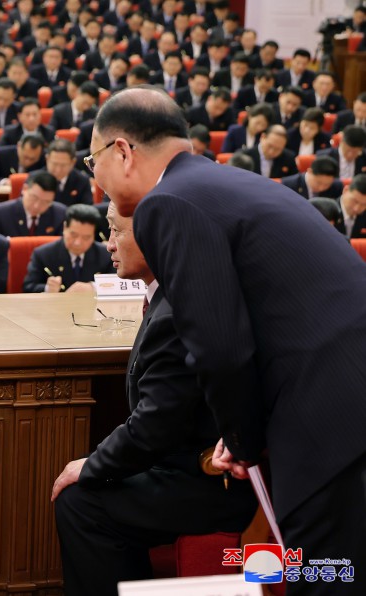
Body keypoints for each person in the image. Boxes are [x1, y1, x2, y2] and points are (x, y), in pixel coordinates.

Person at [88, 86, 366, 596]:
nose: (96, 177)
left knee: (325, 574)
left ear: (122, 151)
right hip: (345, 388)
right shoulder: (221, 182)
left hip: (326, 410)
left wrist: (241, 440)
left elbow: (219, 346)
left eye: (93, 161)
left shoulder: (166, 202)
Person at [51, 201, 258, 596]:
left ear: (155, 236)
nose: (109, 244)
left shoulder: (177, 309)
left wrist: (93, 466)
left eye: (117, 230)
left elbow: (156, 426)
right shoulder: (174, 293)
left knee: (80, 502)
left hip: (213, 480)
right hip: (189, 461)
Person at [22, 203, 113, 293]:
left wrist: (93, 287)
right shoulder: (43, 254)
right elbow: (28, 287)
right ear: (65, 228)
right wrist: (48, 289)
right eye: (74, 235)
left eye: (86, 237)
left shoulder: (106, 255)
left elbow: (117, 284)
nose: (78, 243)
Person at [0, 171, 65, 237]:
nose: (37, 206)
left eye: (46, 202)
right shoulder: (0, 213)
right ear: (24, 189)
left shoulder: (60, 215)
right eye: (34, 198)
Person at [338, 174, 366, 239]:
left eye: (364, 204)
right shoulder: (325, 211)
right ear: (345, 190)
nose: (357, 208)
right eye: (354, 201)